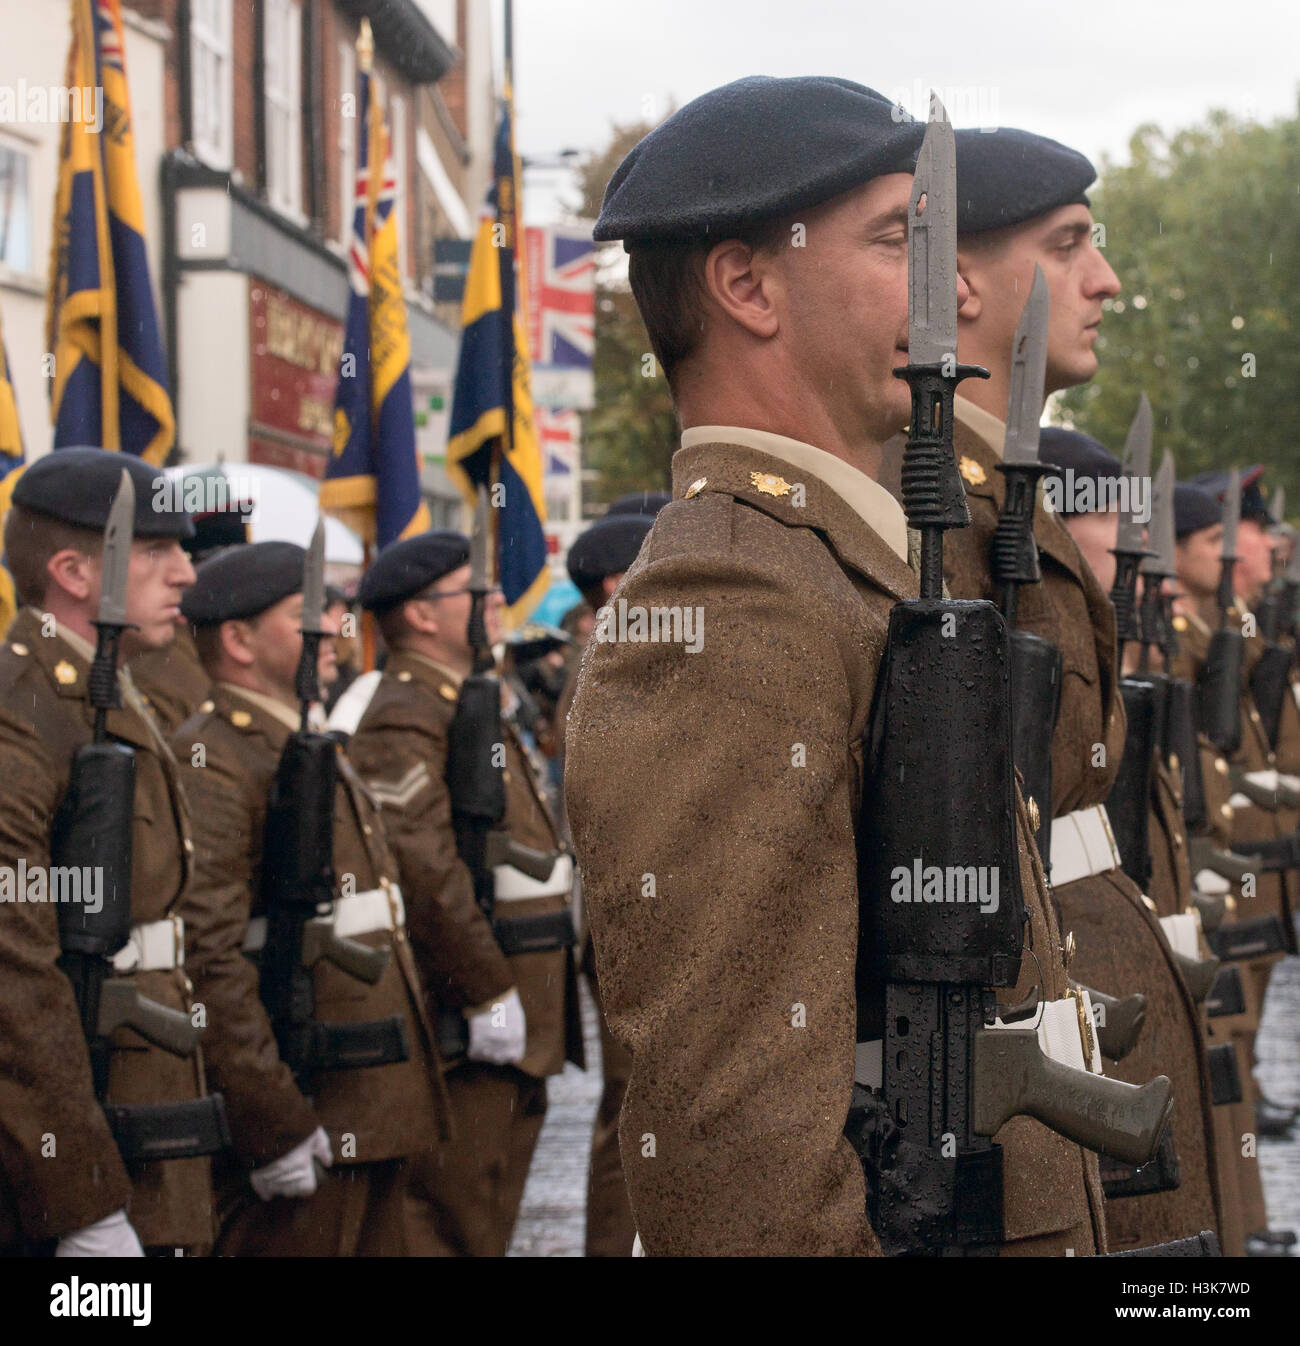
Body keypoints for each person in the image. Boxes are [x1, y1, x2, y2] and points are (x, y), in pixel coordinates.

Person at [565, 75, 1106, 1256]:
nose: (956, 287)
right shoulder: (732, 597)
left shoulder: (839, 564)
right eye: (901, 240)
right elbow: (733, 1143)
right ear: (749, 285)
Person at [174, 541, 449, 1255]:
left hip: (371, 1111)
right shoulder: (215, 760)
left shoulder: (303, 737)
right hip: (311, 1117)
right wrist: (272, 1123)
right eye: (306, 616)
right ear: (236, 640)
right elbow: (206, 958)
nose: (330, 629)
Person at [0, 447, 213, 1255]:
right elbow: (13, 975)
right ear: (73, 573)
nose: (187, 574)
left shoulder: (113, 694)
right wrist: (79, 1198)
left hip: (140, 1097)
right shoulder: (22, 710)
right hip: (73, 1137)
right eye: (158, 551)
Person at [346, 531, 582, 1257]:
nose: (492, 604)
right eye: (472, 593)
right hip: (473, 1012)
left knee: (486, 1209)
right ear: (420, 614)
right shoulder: (406, 709)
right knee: (449, 1219)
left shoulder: (464, 699)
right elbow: (421, 863)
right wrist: (482, 989)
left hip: (519, 1009)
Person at [1036, 429, 1225, 1251]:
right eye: (1108, 513)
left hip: (1118, 913)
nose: (1126, 534)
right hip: (1073, 932)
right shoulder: (1046, 614)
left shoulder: (1100, 619)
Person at [563, 510, 659, 1257]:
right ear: (617, 584)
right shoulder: (618, 662)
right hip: (636, 927)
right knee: (636, 1114)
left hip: (651, 919)